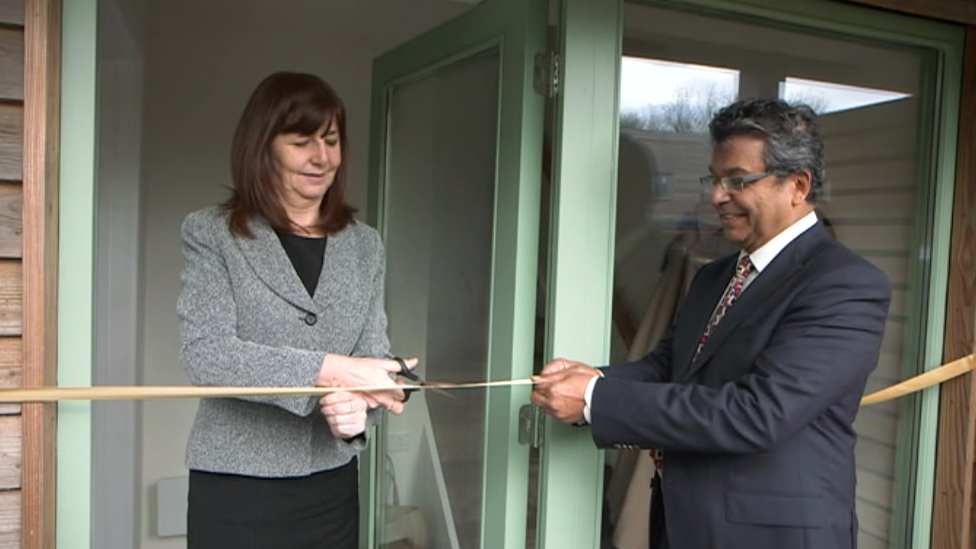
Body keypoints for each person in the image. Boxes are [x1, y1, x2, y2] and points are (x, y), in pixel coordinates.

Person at [531, 98, 891, 549]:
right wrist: (592, 378)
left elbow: (758, 414)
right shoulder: (715, 275)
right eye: (715, 179)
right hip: (684, 525)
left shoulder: (846, 285)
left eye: (737, 181)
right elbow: (669, 365)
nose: (717, 196)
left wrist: (596, 400)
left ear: (797, 185)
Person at [177, 71, 414, 549]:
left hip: (330, 486)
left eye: (330, 140)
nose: (321, 157)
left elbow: (373, 356)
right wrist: (333, 370)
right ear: (263, 146)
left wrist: (359, 415)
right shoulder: (211, 233)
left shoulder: (366, 246)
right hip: (237, 488)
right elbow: (207, 355)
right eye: (302, 141)